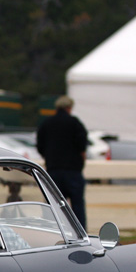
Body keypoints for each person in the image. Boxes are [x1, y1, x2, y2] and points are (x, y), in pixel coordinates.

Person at [36, 95, 88, 229]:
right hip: (73, 171)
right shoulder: (74, 123)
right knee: (77, 206)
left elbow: (40, 146)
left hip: (53, 170)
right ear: (69, 108)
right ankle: (80, 233)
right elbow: (82, 144)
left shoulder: (47, 123)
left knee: (53, 206)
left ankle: (52, 232)